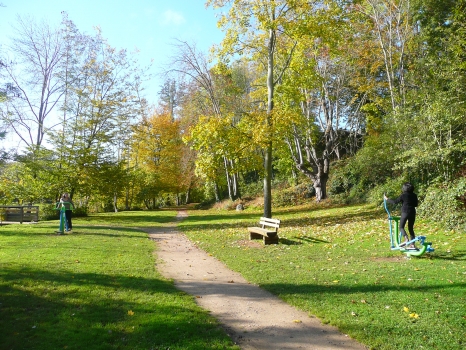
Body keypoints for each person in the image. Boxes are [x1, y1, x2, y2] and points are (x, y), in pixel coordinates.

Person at [384, 183, 418, 249]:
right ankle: (412, 244)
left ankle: (406, 239)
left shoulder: (403, 195)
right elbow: (416, 204)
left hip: (405, 212)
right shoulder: (414, 195)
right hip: (412, 212)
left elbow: (394, 202)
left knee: (401, 227)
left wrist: (386, 199)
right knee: (411, 229)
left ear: (404, 189)